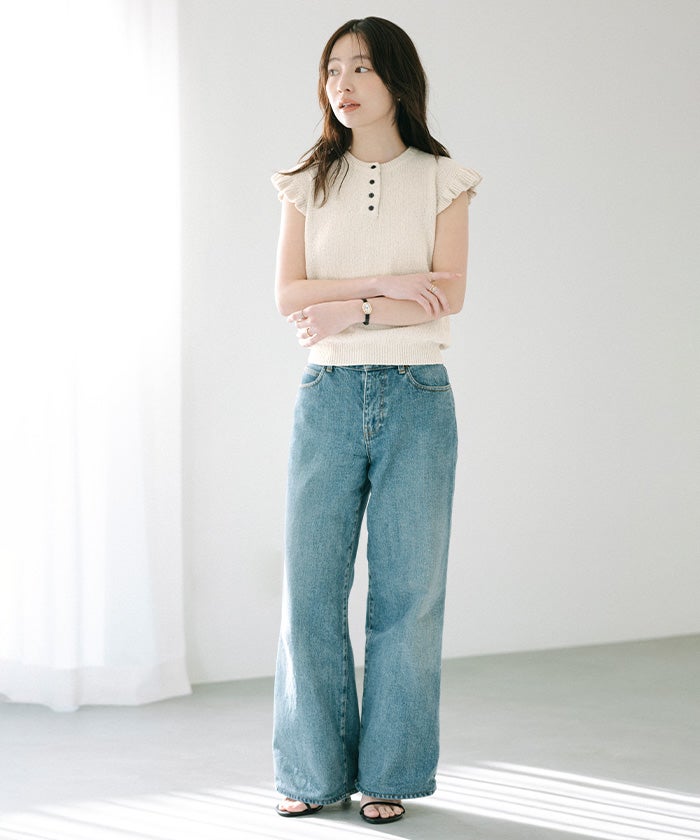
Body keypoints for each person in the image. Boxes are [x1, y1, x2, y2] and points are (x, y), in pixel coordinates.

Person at [270, 16, 482, 825]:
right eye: (333, 69)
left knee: (409, 597)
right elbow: (289, 297)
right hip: (327, 396)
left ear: (396, 78)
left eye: (360, 67)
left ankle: (391, 771)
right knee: (309, 593)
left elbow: (448, 294)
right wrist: (393, 287)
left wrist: (352, 309)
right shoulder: (305, 182)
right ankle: (312, 772)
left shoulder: (444, 180)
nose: (343, 84)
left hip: (418, 398)